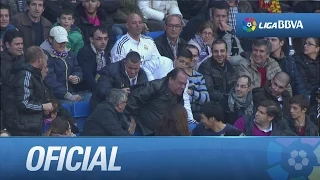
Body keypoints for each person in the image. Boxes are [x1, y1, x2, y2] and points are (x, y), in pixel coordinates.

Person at [125, 68, 192, 135]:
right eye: (180, 83)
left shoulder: (179, 91)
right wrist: (133, 119)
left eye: (184, 84)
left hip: (161, 132)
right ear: (171, 79)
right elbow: (133, 99)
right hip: (142, 129)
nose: (183, 87)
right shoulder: (155, 86)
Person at [111, 13, 173, 81]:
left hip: (151, 74)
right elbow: (118, 69)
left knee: (167, 61)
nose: (138, 25)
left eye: (140, 23)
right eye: (134, 23)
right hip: (132, 77)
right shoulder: (121, 44)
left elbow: (157, 62)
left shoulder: (149, 41)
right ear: (127, 25)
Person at [7, 46, 53, 136]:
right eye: (44, 58)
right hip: (23, 129)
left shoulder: (35, 75)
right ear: (39, 60)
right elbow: (23, 103)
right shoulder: (25, 74)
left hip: (33, 127)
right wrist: (42, 107)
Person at [40, 26, 84, 105]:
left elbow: (77, 68)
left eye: (64, 42)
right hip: (52, 97)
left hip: (71, 92)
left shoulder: (69, 53)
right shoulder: (44, 56)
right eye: (59, 42)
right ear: (50, 39)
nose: (62, 45)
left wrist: (77, 77)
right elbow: (50, 80)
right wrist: (68, 95)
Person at [174, 48, 209, 122]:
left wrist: (191, 92)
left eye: (195, 56)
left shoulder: (199, 76)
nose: (192, 58)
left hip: (198, 112)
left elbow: (206, 99)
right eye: (190, 56)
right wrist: (196, 97)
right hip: (181, 111)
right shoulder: (176, 76)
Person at [76, 25, 110, 92]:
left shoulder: (104, 53)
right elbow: (88, 77)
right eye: (99, 39)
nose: (103, 42)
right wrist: (102, 92)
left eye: (105, 39)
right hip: (85, 90)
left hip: (100, 87)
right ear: (91, 39)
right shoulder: (84, 53)